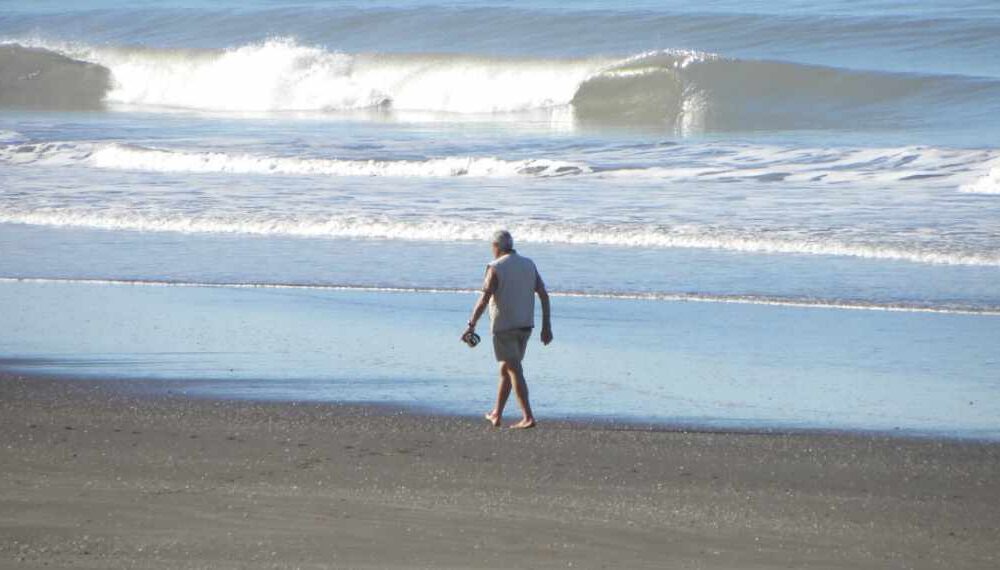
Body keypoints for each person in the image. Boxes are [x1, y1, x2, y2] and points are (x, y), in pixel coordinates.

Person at [462, 230, 552, 429]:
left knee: (514, 369)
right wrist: (546, 326)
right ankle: (497, 413)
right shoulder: (529, 264)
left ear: (497, 247)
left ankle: (528, 416)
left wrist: (471, 324)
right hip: (525, 326)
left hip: (504, 327)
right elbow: (544, 295)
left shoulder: (495, 268)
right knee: (507, 368)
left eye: (492, 247)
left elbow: (484, 299)